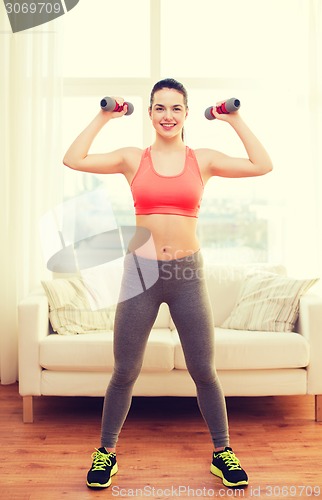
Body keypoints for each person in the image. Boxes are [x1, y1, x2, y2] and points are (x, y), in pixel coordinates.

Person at [63, 78, 273, 489]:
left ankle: (222, 452)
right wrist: (104, 115)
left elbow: (262, 165)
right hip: (141, 273)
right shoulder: (132, 158)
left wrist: (234, 118)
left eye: (176, 108)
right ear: (150, 114)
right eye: (160, 108)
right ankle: (106, 452)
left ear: (187, 114)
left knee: (204, 371)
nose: (167, 116)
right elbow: (73, 158)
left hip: (187, 275)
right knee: (125, 371)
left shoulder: (203, 159)